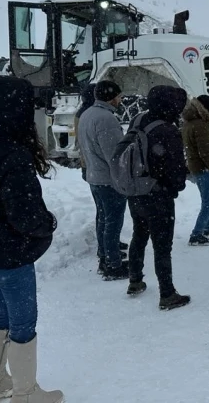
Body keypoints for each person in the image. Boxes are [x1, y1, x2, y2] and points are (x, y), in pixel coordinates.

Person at [0, 76, 63, 403]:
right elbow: (26, 216)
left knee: (0, 313)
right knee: (23, 322)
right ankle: (25, 392)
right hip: (8, 254)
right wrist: (49, 223)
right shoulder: (11, 151)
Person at [125, 85, 191, 311]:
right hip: (158, 194)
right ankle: (167, 293)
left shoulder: (138, 120)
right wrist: (175, 187)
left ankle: (135, 280)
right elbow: (175, 170)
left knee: (139, 234)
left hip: (136, 190)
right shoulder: (167, 130)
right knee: (162, 246)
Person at [77, 80, 129, 280]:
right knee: (113, 222)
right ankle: (112, 265)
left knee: (102, 218)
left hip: (94, 176)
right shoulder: (106, 119)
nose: (120, 99)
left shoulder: (87, 114)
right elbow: (115, 155)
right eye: (119, 96)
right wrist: (124, 177)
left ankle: (104, 256)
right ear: (111, 97)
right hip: (109, 179)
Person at [182, 94, 209, 246]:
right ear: (205, 107)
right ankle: (196, 234)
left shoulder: (189, 122)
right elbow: (205, 151)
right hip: (205, 168)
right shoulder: (201, 125)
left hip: (196, 167)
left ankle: (208, 227)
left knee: (206, 199)